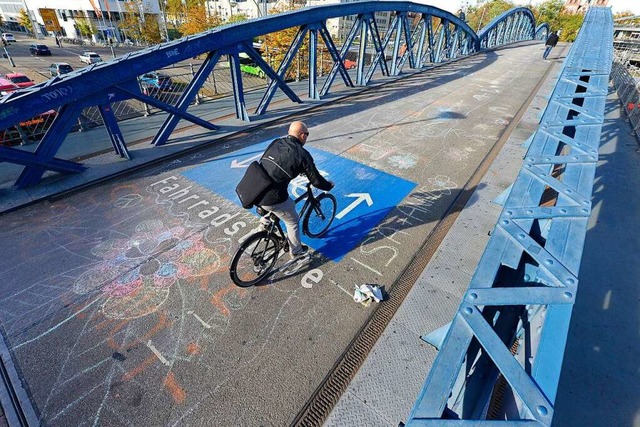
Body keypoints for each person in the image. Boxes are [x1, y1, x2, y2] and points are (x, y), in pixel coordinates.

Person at [255, 121, 334, 261]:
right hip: (273, 197)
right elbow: (316, 180)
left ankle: (265, 223)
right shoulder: (302, 154)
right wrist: (328, 186)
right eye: (307, 135)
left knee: (277, 205)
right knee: (292, 220)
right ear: (302, 135)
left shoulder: (276, 142)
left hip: (256, 189)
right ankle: (296, 252)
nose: (307, 137)